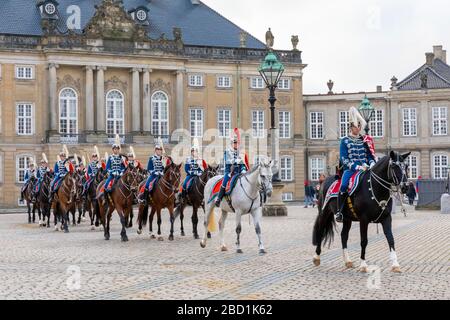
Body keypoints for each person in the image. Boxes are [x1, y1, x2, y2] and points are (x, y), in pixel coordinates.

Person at [336, 107, 376, 222]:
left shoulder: (364, 140)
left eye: (359, 126)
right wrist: (357, 167)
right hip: (351, 170)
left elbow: (369, 155)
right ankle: (340, 211)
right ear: (351, 127)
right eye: (355, 126)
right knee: (343, 186)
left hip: (366, 168)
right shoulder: (345, 141)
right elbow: (344, 159)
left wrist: (372, 163)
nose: (358, 128)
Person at [215, 128, 249, 207]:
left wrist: (243, 169)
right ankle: (219, 199)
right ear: (231, 143)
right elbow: (228, 162)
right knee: (225, 181)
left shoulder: (240, 152)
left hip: (239, 172)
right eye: (234, 143)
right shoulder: (227, 152)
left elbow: (243, 164)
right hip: (230, 172)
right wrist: (236, 160)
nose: (236, 144)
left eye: (237, 143)